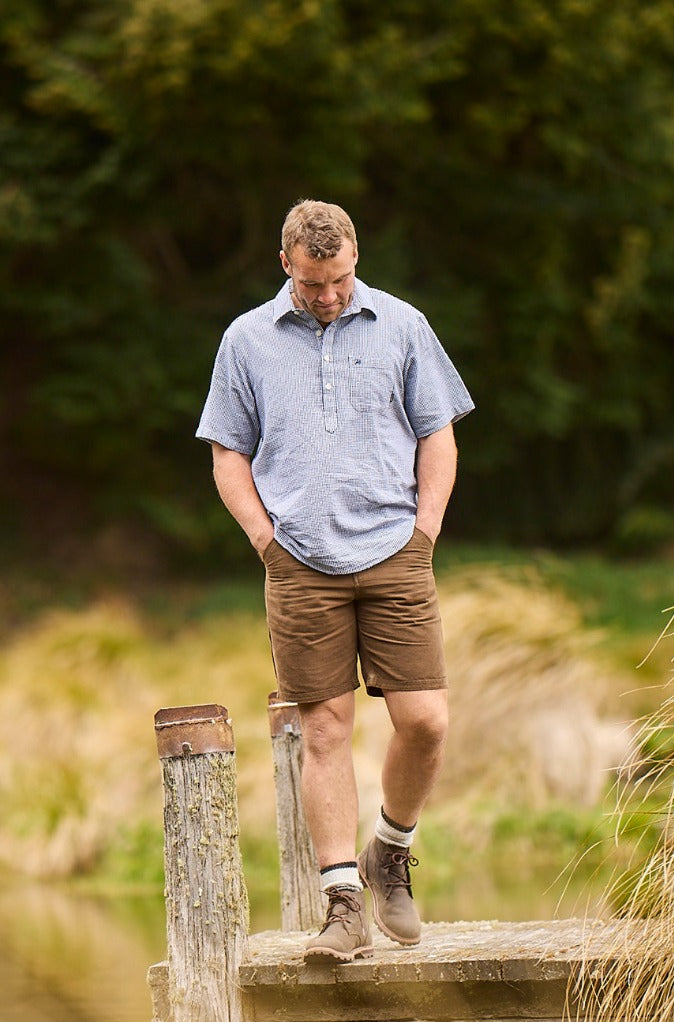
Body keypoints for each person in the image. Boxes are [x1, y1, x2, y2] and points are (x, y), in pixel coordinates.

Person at [196, 199, 474, 962]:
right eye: (315, 283)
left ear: (356, 258)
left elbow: (437, 435)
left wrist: (426, 533)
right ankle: (344, 904)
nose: (329, 296)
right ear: (287, 263)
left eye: (341, 279)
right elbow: (228, 453)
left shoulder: (404, 326)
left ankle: (391, 848)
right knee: (324, 732)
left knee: (426, 720)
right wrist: (266, 540)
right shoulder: (246, 341)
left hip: (395, 551)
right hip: (301, 565)